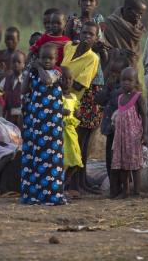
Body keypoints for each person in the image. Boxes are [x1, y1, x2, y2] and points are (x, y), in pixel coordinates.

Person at [20, 44, 68, 205]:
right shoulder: (34, 73)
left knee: (51, 157)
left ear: (56, 59)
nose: (47, 61)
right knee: (35, 156)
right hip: (36, 123)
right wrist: (29, 70)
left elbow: (47, 80)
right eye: (43, 58)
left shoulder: (56, 72)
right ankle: (34, 194)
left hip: (52, 125)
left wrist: (39, 67)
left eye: (50, 58)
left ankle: (52, 194)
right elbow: (23, 89)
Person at [61, 23, 102, 192]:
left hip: (73, 103)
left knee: (76, 144)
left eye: (91, 34)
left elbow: (79, 86)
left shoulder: (93, 58)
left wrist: (60, 82)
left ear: (96, 38)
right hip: (59, 100)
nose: (87, 36)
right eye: (85, 32)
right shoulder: (69, 46)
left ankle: (74, 183)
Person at [96, 52, 131, 198]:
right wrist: (107, 88)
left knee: (121, 161)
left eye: (118, 73)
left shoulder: (126, 89)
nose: (114, 75)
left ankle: (124, 188)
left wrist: (110, 90)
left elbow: (119, 101)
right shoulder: (109, 85)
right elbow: (99, 100)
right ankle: (113, 188)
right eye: (113, 72)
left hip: (122, 131)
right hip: (110, 130)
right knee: (110, 159)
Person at [111, 67, 147, 199]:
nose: (126, 83)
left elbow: (144, 115)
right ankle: (125, 191)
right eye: (123, 80)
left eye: (129, 80)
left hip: (134, 137)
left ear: (135, 81)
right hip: (121, 137)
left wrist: (145, 134)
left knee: (135, 165)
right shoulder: (120, 97)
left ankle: (137, 192)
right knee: (123, 166)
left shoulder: (138, 97)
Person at [59, 67, 84, 198]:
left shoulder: (73, 97)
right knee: (62, 160)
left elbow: (77, 111)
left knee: (76, 160)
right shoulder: (57, 96)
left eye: (69, 79)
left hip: (71, 132)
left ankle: (65, 183)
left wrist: (78, 113)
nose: (67, 81)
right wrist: (61, 111)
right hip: (60, 132)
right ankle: (60, 187)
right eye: (64, 78)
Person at [103, 0, 147, 64]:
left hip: (132, 71)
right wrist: (118, 52)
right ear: (129, 10)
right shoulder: (109, 24)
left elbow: (136, 54)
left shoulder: (138, 29)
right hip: (111, 69)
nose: (140, 17)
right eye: (139, 14)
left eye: (142, 15)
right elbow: (102, 48)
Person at [0, 51, 26, 126]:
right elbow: (1, 95)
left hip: (23, 116)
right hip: (9, 116)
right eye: (13, 62)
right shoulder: (6, 80)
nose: (16, 64)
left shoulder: (26, 80)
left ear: (23, 64)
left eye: (19, 62)